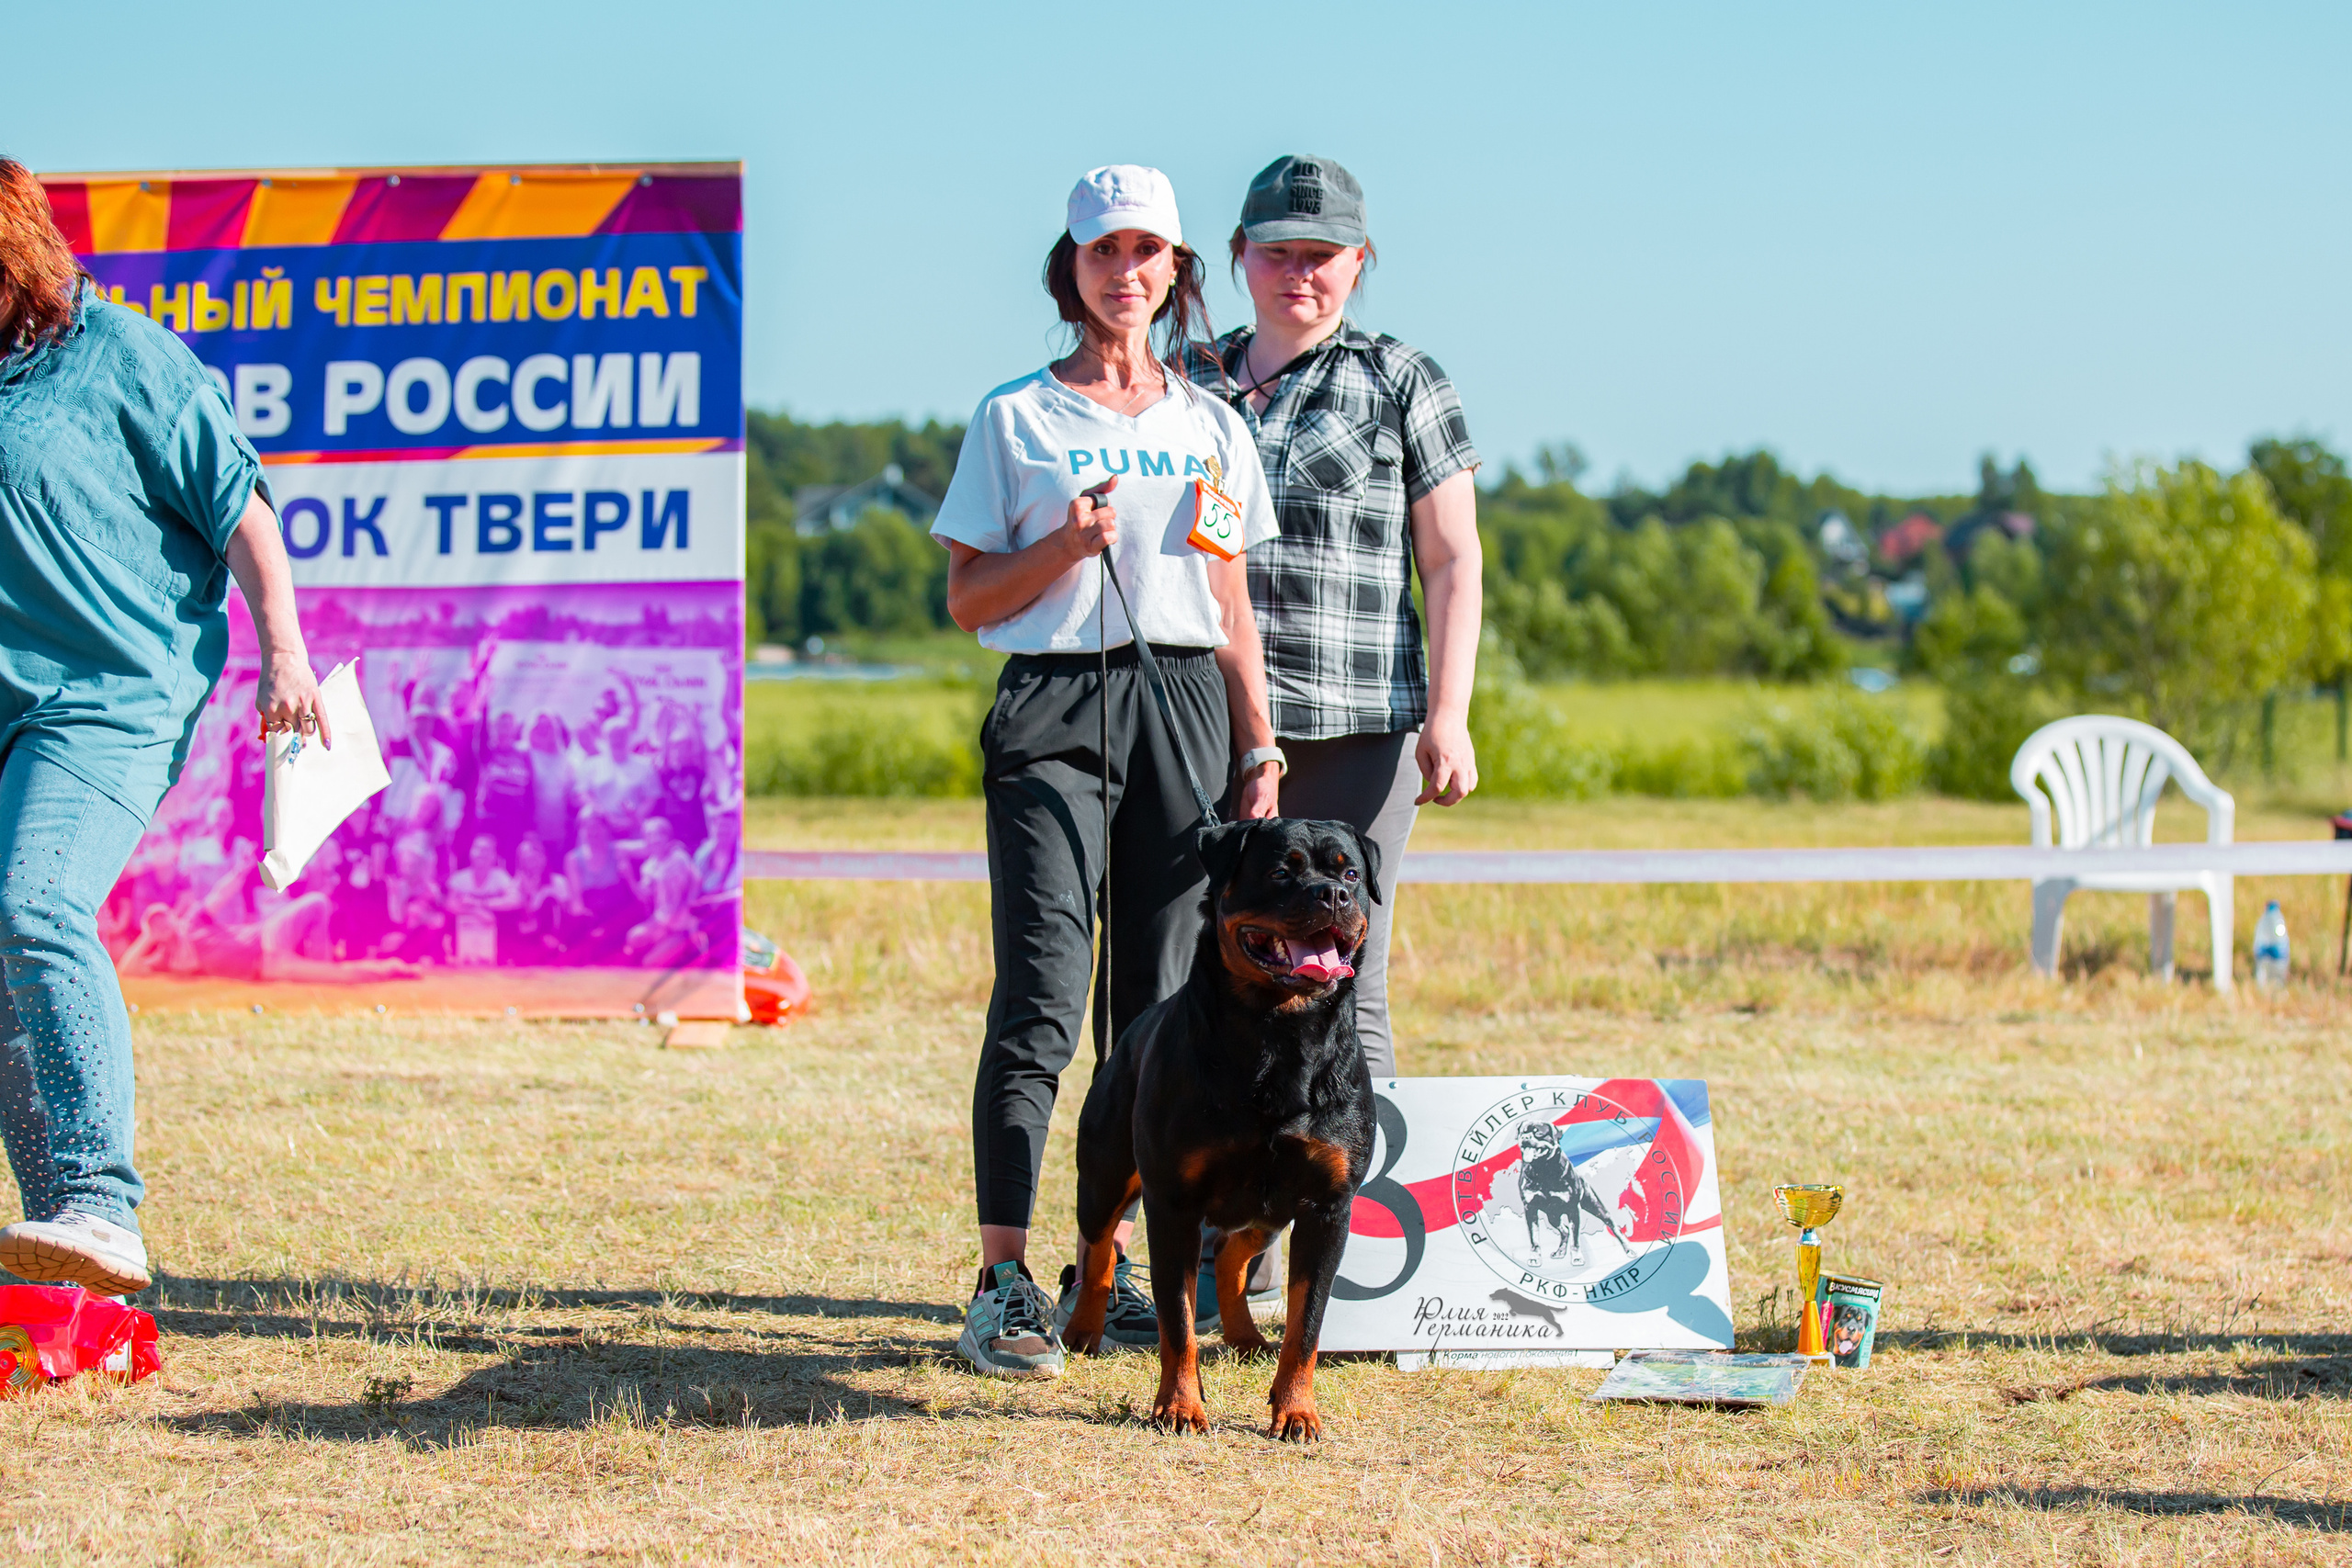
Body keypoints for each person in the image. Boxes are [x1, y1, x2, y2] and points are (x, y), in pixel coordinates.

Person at [929, 165, 1283, 1380]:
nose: (1124, 272)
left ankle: (1112, 1266)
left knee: (1157, 1007)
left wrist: (1261, 740)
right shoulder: (1015, 418)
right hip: (1054, 699)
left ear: (1177, 270)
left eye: (1147, 252)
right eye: (1101, 251)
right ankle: (1003, 1281)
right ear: (1068, 269)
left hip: (1184, 700)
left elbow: (1232, 599)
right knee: (1038, 991)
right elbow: (968, 594)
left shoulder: (1213, 424)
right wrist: (1061, 544)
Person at [0, 157, 328, 1295]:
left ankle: (101, 1202)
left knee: (37, 902)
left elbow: (242, 513)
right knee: (2, 964)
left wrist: (284, 651)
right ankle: (64, 1250)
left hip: (107, 693)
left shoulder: (119, 355)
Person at [1182, 154, 1483, 1078]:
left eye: (1323, 252)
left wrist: (1448, 715)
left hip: (1357, 726)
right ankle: (1201, 1212)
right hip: (1206, 719)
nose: (1299, 271)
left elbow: (1450, 558)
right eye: (1277, 252)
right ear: (1239, 255)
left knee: (1346, 972)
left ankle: (1352, 1214)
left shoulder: (1402, 378)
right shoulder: (1188, 381)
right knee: (1198, 970)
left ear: (1361, 260)